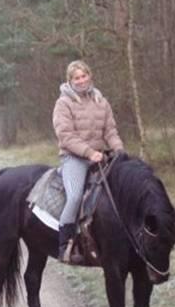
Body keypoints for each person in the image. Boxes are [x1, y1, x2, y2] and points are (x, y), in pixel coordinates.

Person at [52, 60, 124, 263]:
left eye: (84, 76)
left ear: (90, 76)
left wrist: (119, 150)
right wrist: (89, 152)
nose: (81, 80)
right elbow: (65, 135)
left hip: (101, 156)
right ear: (70, 80)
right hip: (74, 158)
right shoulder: (63, 103)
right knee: (75, 196)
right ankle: (65, 244)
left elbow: (110, 131)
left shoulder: (101, 101)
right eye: (77, 77)